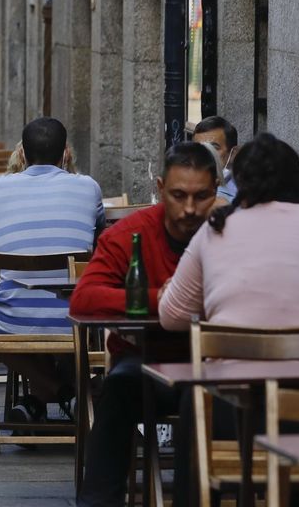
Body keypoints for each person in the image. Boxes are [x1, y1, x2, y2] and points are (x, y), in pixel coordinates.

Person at [70, 141, 219, 507]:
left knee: (209, 398)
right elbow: (84, 299)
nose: (189, 209)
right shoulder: (130, 234)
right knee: (118, 387)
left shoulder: (228, 234)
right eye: (178, 195)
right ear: (159, 188)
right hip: (145, 361)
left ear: (216, 193)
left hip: (211, 365)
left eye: (201, 197)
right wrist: (163, 300)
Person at [0, 117, 104, 423]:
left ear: (21, 155)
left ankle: (38, 400)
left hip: (13, 320)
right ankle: (70, 396)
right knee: (64, 305)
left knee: (3, 325)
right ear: (66, 154)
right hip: (75, 320)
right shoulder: (89, 187)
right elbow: (98, 242)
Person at [160, 133, 299, 331]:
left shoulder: (216, 230)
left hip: (232, 360)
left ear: (241, 185)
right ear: (298, 182)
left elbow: (172, 318)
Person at [190, 115, 239, 204]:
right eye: (199, 148)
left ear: (233, 154)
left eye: (214, 148)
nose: (205, 154)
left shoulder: (244, 194)